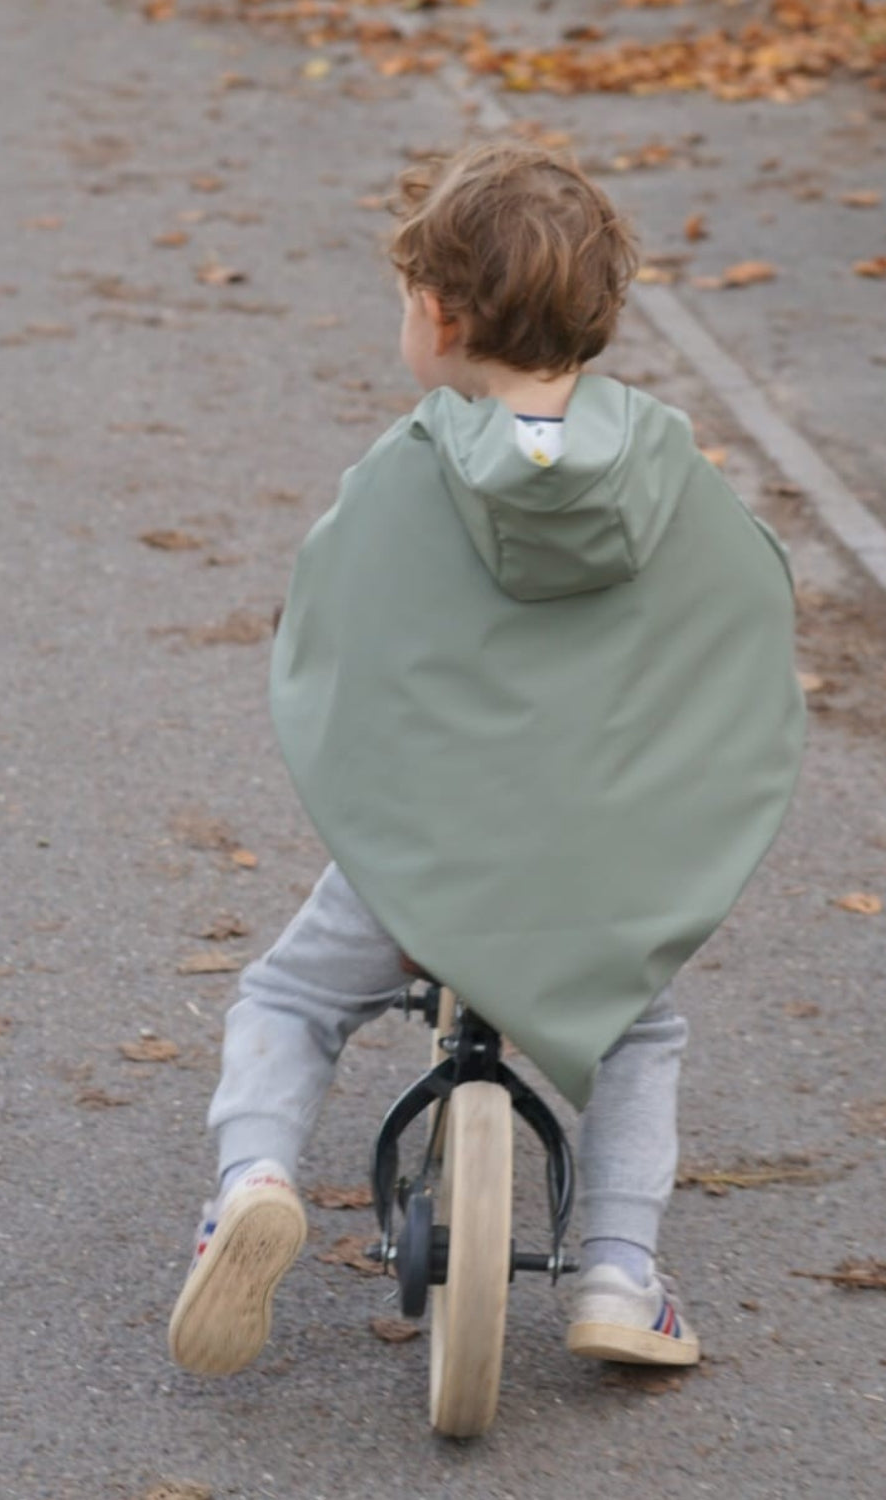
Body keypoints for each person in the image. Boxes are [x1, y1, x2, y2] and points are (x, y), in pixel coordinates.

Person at [168, 141, 805, 1380]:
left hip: (428, 860)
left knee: (292, 997)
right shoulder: (674, 474)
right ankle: (618, 1272)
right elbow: (742, 629)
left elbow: (337, 638)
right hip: (604, 873)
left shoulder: (407, 473)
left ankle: (250, 1184)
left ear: (439, 315)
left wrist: (380, 801)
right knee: (637, 1032)